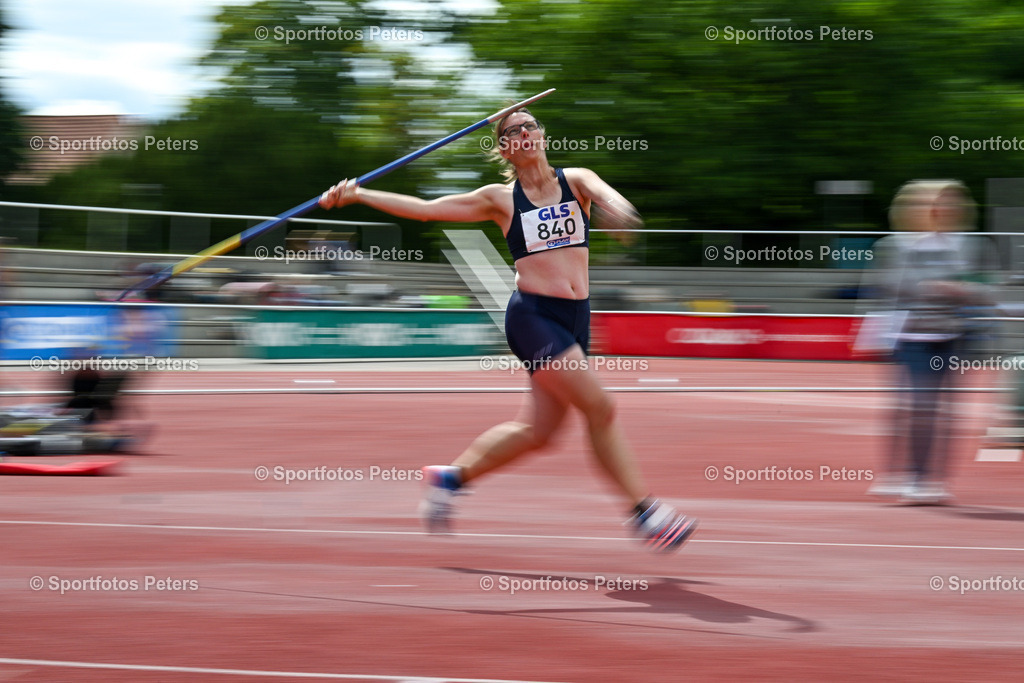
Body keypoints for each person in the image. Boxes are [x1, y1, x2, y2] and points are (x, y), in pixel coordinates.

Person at [320, 105, 697, 551]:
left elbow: (611, 198)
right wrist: (360, 195)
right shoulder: (499, 199)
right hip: (533, 317)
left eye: (530, 125)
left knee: (540, 433)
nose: (524, 133)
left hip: (576, 317)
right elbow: (425, 210)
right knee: (601, 408)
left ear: (542, 135)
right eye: (512, 131)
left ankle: (450, 479)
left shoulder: (576, 180)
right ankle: (644, 513)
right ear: (504, 149)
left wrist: (619, 213)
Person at [865, 180, 991, 504]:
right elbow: (892, 287)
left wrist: (961, 290)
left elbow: (988, 290)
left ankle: (932, 480)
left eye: (952, 203)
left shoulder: (970, 246)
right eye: (938, 204)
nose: (944, 210)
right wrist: (932, 287)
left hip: (952, 337)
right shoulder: (908, 246)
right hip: (912, 336)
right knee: (918, 406)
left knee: (944, 410)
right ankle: (914, 476)